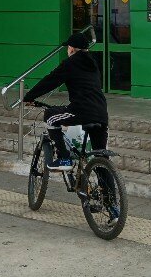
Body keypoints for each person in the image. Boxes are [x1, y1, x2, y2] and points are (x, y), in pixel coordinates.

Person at [23, 32, 108, 172]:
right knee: (101, 159)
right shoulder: (93, 64)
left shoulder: (70, 63)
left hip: (81, 110)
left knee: (50, 116)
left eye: (68, 48)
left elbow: (51, 80)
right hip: (101, 113)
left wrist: (29, 96)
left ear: (72, 49)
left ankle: (64, 158)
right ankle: (107, 186)